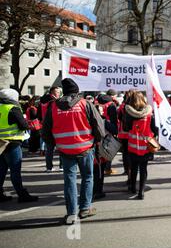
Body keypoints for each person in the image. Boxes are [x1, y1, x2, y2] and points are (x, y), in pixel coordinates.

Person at [42, 79, 105, 224]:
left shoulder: (53, 107)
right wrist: (97, 140)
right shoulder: (85, 104)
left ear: (64, 91)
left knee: (69, 181)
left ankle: (71, 214)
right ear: (77, 91)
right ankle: (85, 209)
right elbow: (99, 126)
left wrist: (54, 144)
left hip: (64, 149)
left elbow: (45, 131)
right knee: (87, 177)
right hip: (85, 148)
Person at [0, 89, 39, 203]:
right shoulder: (12, 108)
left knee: (1, 170)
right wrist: (28, 124)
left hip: (1, 143)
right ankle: (22, 194)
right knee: (15, 170)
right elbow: (23, 125)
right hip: (12, 143)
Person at [123, 91, 155, 199]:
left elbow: (125, 128)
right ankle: (141, 192)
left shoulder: (128, 113)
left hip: (132, 145)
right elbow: (154, 128)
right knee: (143, 169)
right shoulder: (149, 113)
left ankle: (132, 187)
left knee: (133, 167)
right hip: (145, 146)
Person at [38, 86, 62, 172]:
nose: (59, 94)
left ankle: (49, 167)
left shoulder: (42, 103)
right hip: (55, 128)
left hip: (47, 128)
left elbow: (39, 116)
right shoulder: (55, 103)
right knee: (59, 149)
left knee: (50, 150)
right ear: (52, 93)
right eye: (57, 92)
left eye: (59, 92)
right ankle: (59, 166)